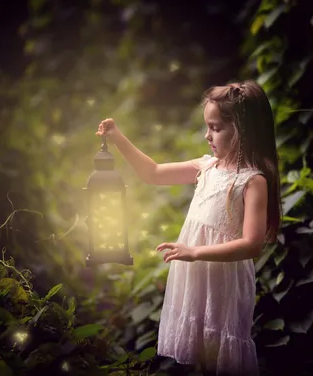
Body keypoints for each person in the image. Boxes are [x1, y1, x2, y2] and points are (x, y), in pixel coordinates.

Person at [96, 80, 282, 376]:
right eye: (207, 127)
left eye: (216, 128)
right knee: (200, 356)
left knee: (220, 353)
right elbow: (153, 173)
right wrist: (119, 139)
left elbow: (252, 244)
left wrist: (196, 251)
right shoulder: (206, 167)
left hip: (222, 279)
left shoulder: (252, 181)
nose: (207, 135)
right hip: (196, 276)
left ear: (242, 131)